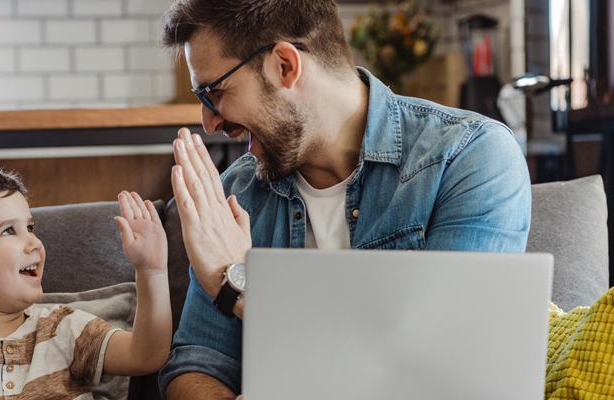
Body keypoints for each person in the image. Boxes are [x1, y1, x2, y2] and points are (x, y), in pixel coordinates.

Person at [156, 0, 534, 398]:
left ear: (285, 65)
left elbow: (439, 366)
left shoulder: (467, 158)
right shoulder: (239, 192)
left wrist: (235, 285)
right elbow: (197, 363)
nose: (208, 121)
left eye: (214, 92)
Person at [0, 164, 175, 399]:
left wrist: (151, 271)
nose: (35, 243)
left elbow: (146, 355)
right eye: (8, 231)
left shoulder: (63, 327)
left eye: (29, 227)